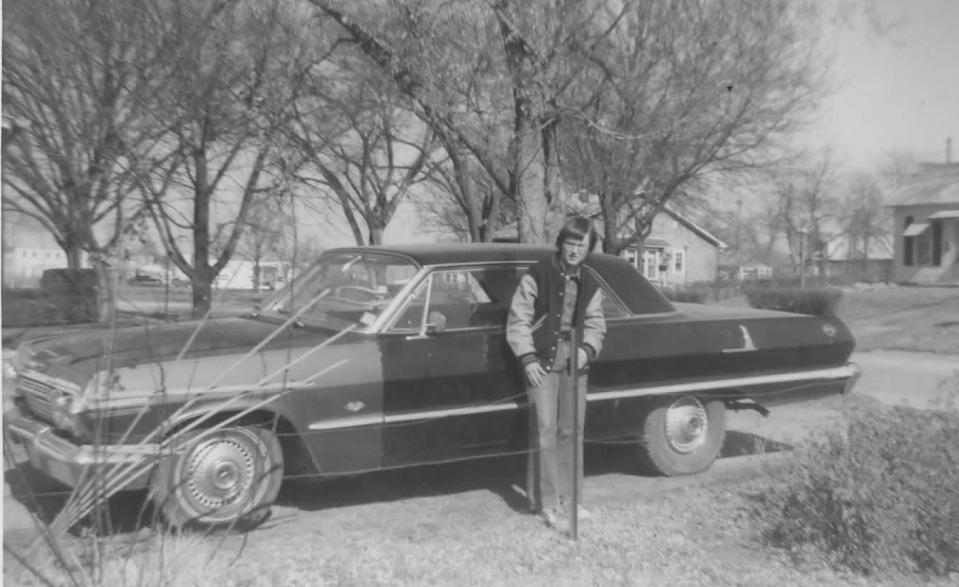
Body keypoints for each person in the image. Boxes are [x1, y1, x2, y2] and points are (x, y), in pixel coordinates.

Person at [506, 216, 606, 532]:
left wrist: (586, 350)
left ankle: (571, 499)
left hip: (575, 360)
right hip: (541, 359)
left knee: (572, 430)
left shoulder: (590, 281)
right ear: (561, 242)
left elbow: (596, 324)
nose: (575, 250)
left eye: (582, 245)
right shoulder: (537, 275)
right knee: (545, 429)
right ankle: (547, 503)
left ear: (589, 249)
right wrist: (527, 358)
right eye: (571, 243)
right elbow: (518, 320)